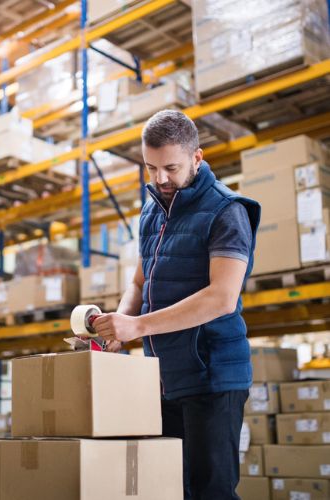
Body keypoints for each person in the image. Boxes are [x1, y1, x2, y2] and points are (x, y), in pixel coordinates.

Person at [92, 110, 261, 499]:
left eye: (171, 167)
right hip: (165, 379)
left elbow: (222, 297)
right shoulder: (152, 210)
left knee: (210, 492)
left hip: (213, 377)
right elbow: (139, 281)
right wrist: (118, 323)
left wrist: (138, 327)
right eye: (151, 168)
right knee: (170, 489)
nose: (160, 179)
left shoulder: (227, 211)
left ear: (197, 158)